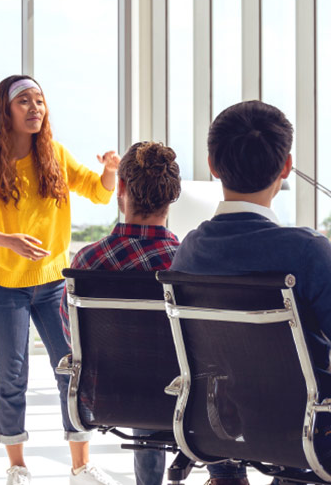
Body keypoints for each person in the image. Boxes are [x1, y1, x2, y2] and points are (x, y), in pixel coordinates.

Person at [169, 99, 331, 482]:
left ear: (211, 163)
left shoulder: (189, 250)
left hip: (230, 430)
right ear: (286, 166)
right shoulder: (306, 251)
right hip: (327, 435)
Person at [60, 140, 248, 485]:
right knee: (175, 375)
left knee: (139, 372)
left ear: (119, 187)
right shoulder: (189, 264)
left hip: (109, 396)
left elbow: (72, 335)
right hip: (179, 397)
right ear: (173, 196)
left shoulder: (86, 262)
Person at [0, 75, 120, 485]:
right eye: (25, 102)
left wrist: (110, 171)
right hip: (2, 287)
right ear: (5, 111)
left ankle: (81, 465)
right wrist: (8, 241)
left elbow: (99, 193)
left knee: (72, 368)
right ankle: (17, 464)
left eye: (40, 101)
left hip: (52, 285)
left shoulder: (54, 154)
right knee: (12, 373)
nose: (35, 109)